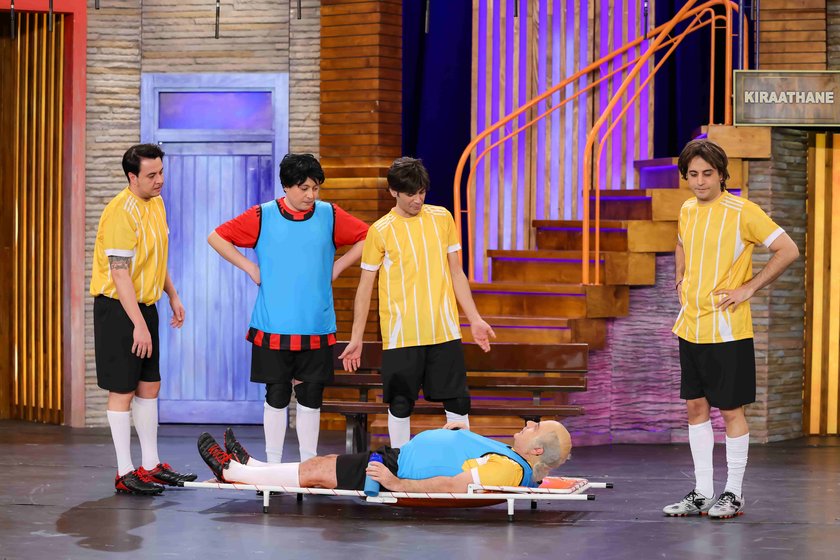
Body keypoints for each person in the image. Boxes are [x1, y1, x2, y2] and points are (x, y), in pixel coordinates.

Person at [664, 139, 799, 519]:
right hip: (690, 326)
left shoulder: (744, 211)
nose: (700, 181)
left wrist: (749, 287)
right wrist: (679, 275)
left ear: (722, 174)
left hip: (727, 330)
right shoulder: (687, 209)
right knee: (695, 407)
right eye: (693, 174)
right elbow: (681, 243)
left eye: (707, 173)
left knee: (730, 410)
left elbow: (788, 249)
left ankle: (733, 494)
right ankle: (702, 492)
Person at [208, 153, 368, 464]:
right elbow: (216, 237)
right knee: (277, 395)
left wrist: (338, 266)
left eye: (316, 188)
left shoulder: (330, 215)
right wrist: (250, 268)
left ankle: (308, 465)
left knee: (311, 396)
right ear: (286, 186)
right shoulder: (263, 215)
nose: (311, 195)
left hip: (316, 324)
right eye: (304, 188)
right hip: (273, 324)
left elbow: (369, 236)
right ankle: (273, 466)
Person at [338, 157, 495, 448]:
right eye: (411, 193)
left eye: (422, 192)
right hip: (402, 336)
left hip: (444, 331)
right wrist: (356, 337)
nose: (418, 199)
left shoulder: (442, 218)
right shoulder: (380, 230)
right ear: (393, 192)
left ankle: (461, 462)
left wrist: (474, 318)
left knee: (457, 401)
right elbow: (365, 287)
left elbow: (456, 272)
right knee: (400, 403)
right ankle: (400, 463)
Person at [91, 144, 197, 495]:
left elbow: (156, 258)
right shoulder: (120, 212)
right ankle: (125, 472)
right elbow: (120, 274)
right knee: (122, 389)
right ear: (132, 177)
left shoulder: (157, 203)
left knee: (150, 385)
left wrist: (172, 294)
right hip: (118, 309)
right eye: (151, 175)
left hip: (145, 306)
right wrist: (137, 323)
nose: (159, 180)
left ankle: (151, 464)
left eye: (161, 172)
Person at [197, 420, 571, 492]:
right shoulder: (509, 456)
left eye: (535, 427)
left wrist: (397, 484)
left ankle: (234, 473)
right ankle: (252, 467)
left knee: (317, 471)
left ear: (536, 449)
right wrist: (460, 434)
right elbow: (468, 460)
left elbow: (453, 485)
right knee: (320, 466)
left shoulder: (510, 470)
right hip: (399, 459)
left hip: (398, 470)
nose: (528, 424)